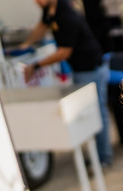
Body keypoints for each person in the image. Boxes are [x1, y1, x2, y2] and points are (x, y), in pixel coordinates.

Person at [20, 0, 112, 167]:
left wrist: (36, 65)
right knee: (91, 113)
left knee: (97, 113)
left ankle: (103, 158)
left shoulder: (66, 15)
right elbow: (42, 26)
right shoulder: (51, 10)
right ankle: (99, 156)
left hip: (91, 69)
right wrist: (25, 45)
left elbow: (64, 52)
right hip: (81, 69)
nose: (36, 2)